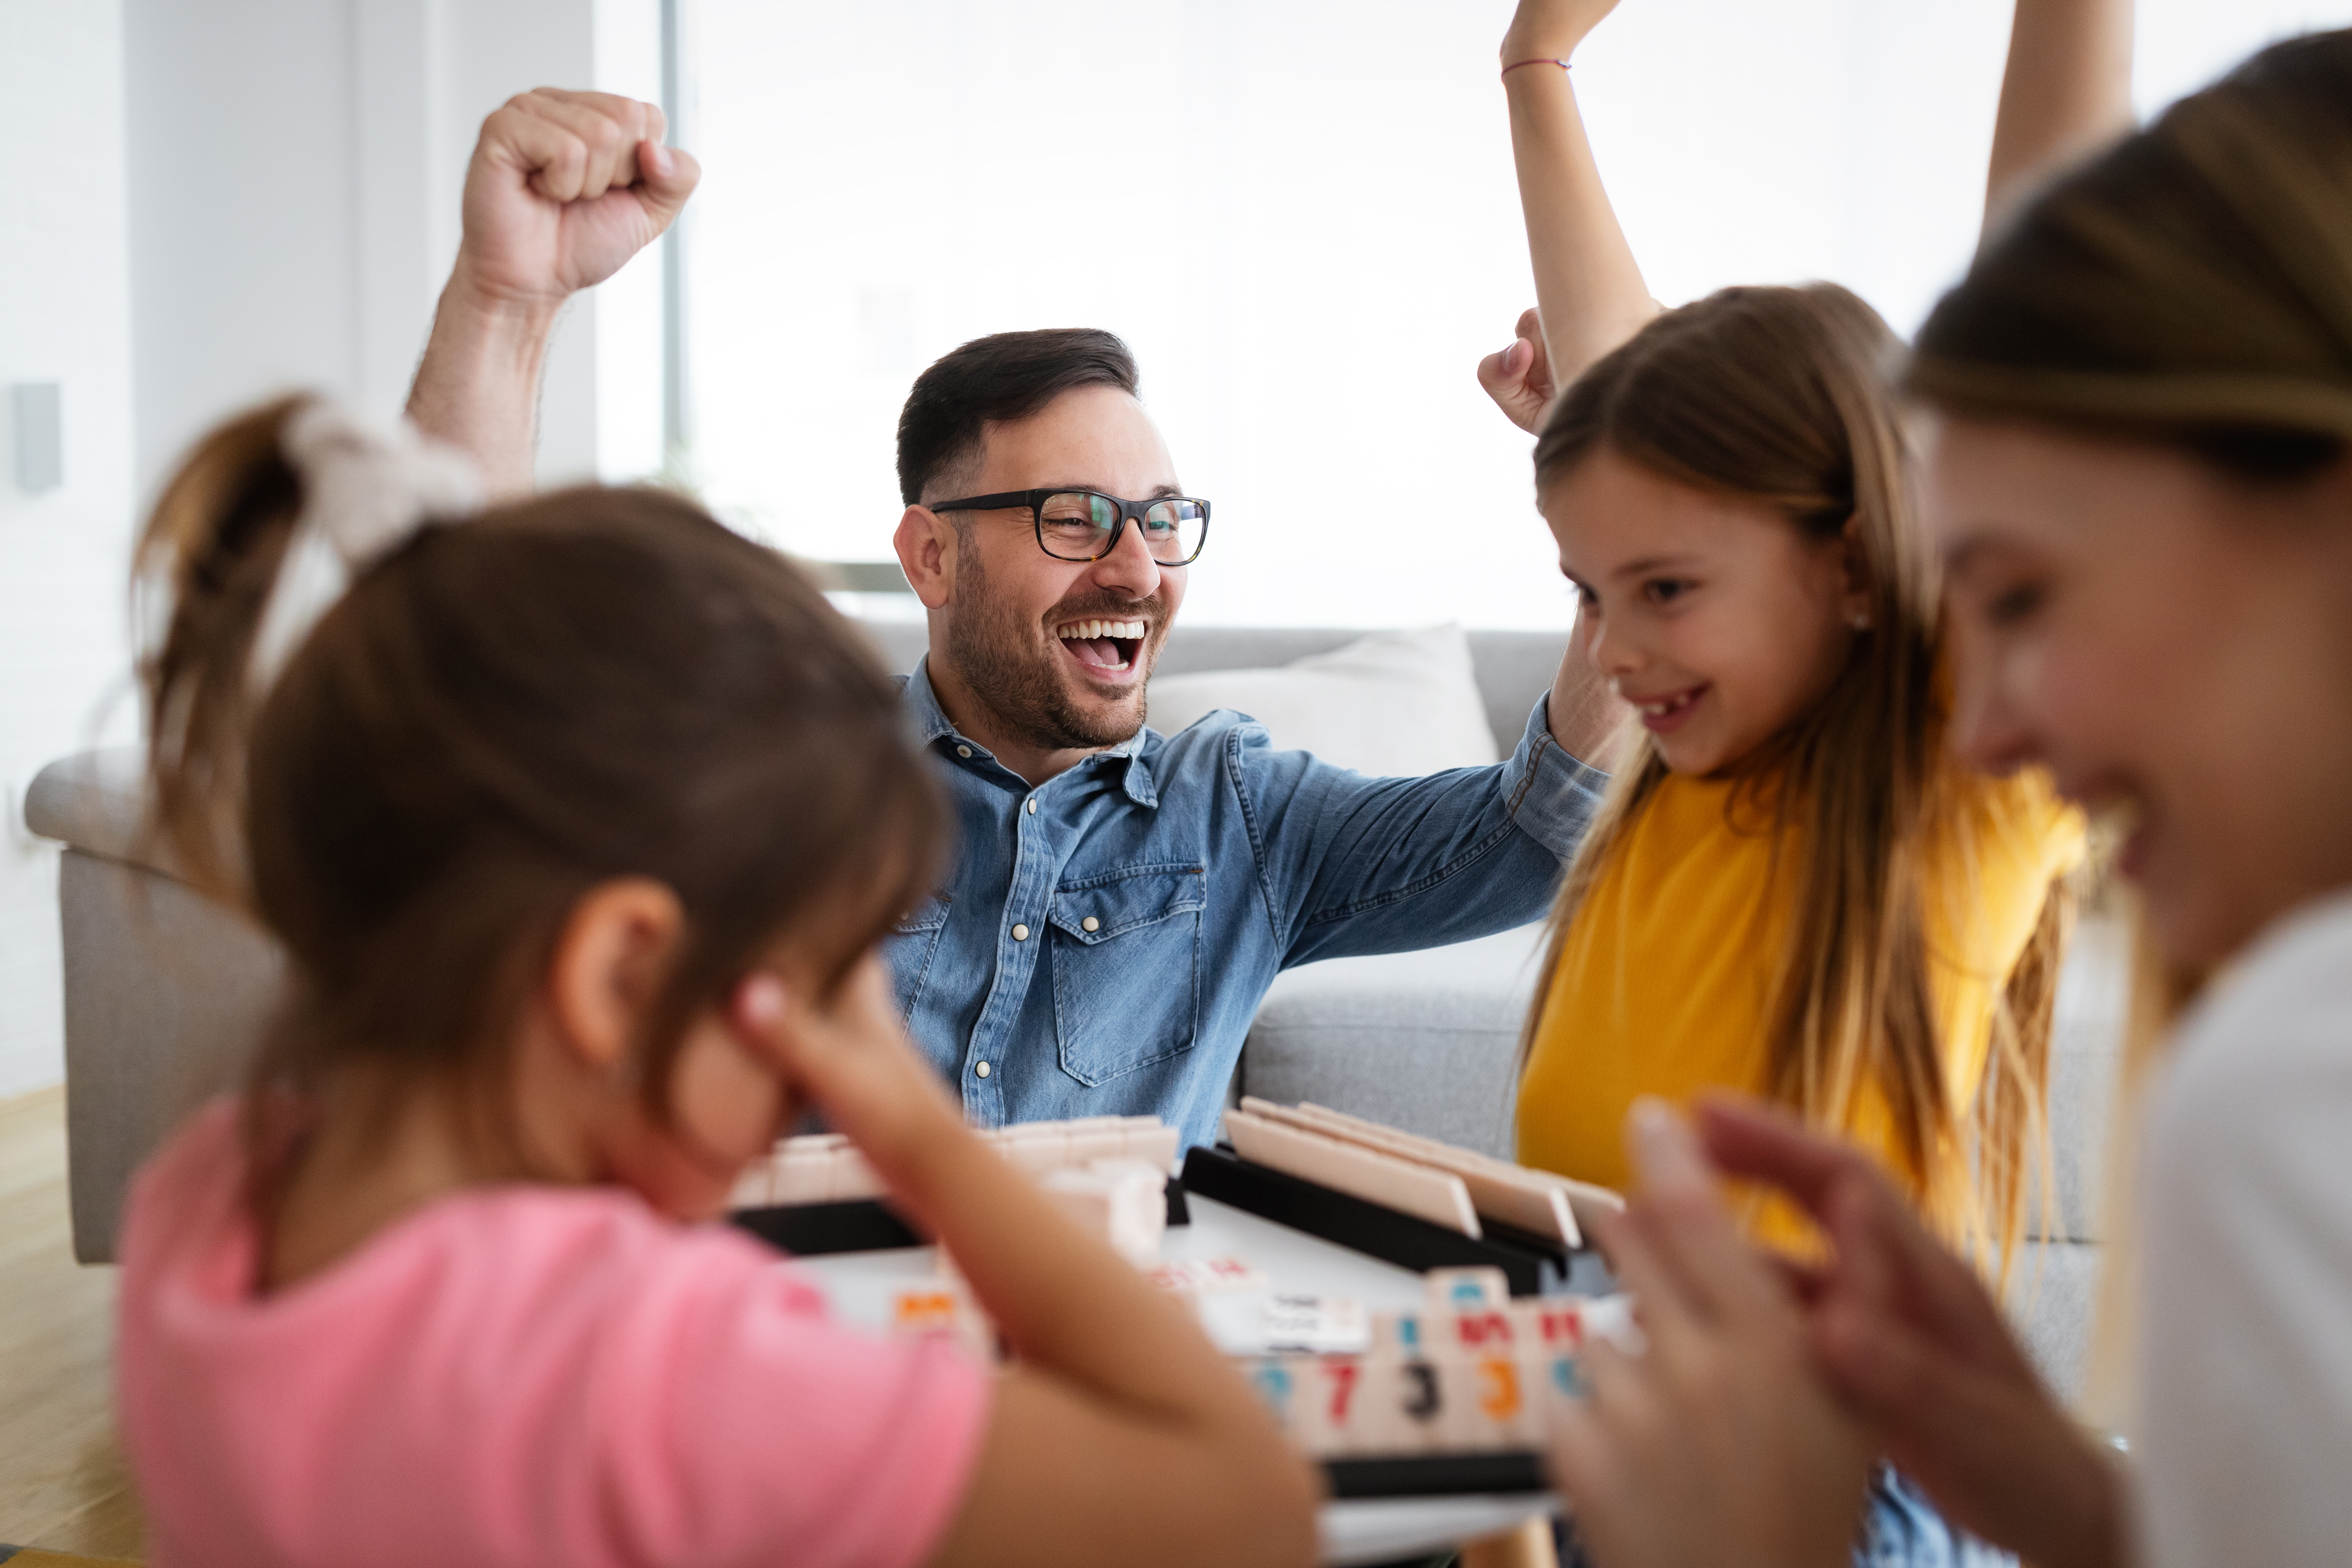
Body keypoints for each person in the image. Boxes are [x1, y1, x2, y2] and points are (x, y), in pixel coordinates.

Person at [113, 395, 1319, 1567]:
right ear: (624, 977)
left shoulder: (217, 1195)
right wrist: (910, 1120)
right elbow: (1247, 1500)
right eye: (819, 995)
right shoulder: (651, 1374)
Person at [402, 89, 1620, 1155]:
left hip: (1105, 1366)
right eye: (1076, 519)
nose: (1140, 570)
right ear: (931, 557)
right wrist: (505, 299)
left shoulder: (1240, 813)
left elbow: (1542, 829)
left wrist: (1613, 492)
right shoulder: (780, 782)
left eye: (1160, 517)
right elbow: (483, 714)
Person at [1543, 25, 2352, 1568]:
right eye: (1595, 592)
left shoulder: (1913, 773)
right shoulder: (1686, 767)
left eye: (2028, 595)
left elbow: (2054, 283)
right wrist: (2064, 1497)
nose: (1987, 728)